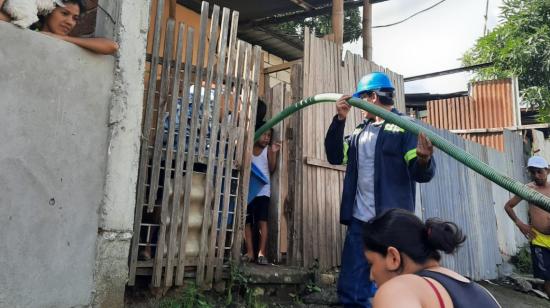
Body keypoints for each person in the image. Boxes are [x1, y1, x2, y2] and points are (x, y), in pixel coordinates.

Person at [324, 72, 436, 307]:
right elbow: (335, 156)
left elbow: (420, 173)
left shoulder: (405, 128)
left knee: (389, 287)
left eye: (361, 99)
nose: (359, 106)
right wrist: (339, 120)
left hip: (389, 226)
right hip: (359, 223)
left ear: (372, 97)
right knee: (351, 288)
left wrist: (424, 160)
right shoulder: (360, 131)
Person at [363, 208, 501, 308]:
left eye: (371, 263)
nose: (371, 276)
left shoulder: (397, 290)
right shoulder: (483, 293)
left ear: (393, 258)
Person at [504, 155, 550, 297]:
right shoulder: (528, 189)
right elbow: (508, 206)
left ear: (548, 170)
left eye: (539, 171)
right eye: (533, 172)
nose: (536, 175)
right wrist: (520, 224)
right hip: (539, 239)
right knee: (548, 277)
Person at [0, 0, 118, 55]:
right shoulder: (24, 28)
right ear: (49, 11)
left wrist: (61, 38)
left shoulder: (72, 43)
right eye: (65, 14)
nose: (70, 22)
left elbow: (112, 46)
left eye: (75, 18)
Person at [243, 122, 280, 265]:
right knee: (246, 222)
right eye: (264, 134)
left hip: (263, 190)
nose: (266, 138)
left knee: (262, 221)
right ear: (257, 134)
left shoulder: (268, 150)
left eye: (269, 136)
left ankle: (261, 253)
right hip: (249, 190)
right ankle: (250, 252)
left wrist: (274, 153)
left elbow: (271, 168)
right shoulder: (248, 148)